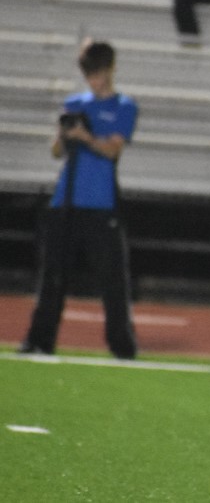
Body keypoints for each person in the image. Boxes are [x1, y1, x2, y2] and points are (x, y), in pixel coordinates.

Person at [18, 40, 139, 360]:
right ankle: (39, 340)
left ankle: (122, 346)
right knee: (52, 276)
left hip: (102, 204)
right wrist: (63, 134)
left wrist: (86, 137)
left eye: (98, 73)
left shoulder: (123, 106)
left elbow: (113, 150)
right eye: (89, 74)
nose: (93, 80)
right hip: (66, 199)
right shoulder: (74, 103)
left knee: (112, 279)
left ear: (110, 70)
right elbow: (56, 151)